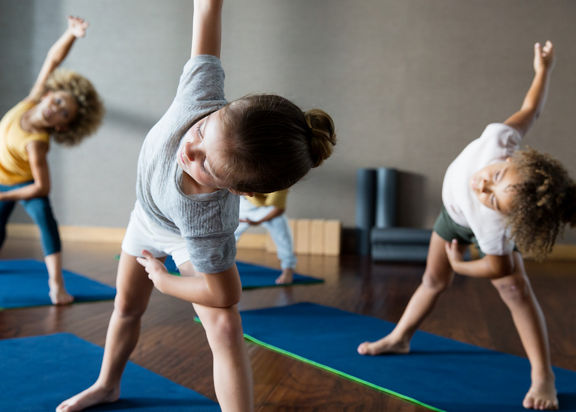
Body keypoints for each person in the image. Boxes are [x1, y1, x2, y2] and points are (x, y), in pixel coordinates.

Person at [56, 1, 336, 411]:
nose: (191, 147)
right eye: (204, 130)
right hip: (147, 217)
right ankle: (107, 384)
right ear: (220, 107)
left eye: (207, 162)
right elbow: (207, 12)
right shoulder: (200, 95)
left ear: (240, 193)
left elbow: (225, 293)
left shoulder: (208, 218)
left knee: (224, 325)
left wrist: (163, 279)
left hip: (183, 235)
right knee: (125, 306)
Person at [358, 41, 574, 411]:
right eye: (496, 176)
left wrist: (460, 266)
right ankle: (400, 337)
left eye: (492, 197)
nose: (483, 185)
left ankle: (543, 375)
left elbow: (495, 265)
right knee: (431, 280)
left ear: (510, 217)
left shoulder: (495, 225)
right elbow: (530, 109)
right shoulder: (499, 139)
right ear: (513, 157)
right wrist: (544, 71)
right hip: (453, 215)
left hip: (474, 229)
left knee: (514, 291)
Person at [0, 16, 104, 305]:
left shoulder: (37, 145)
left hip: (24, 184)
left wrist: (5, 194)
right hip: (2, 180)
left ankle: (57, 285)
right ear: (48, 94)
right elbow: (52, 60)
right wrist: (71, 34)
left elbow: (41, 188)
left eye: (64, 115)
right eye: (58, 102)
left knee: (46, 222)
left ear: (62, 128)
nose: (56, 110)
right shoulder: (31, 100)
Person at [235, 190, 297, 284]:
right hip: (241, 204)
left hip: (265, 209)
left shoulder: (280, 183)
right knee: (227, 236)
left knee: (282, 233)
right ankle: (219, 269)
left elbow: (278, 209)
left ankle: (288, 269)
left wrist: (257, 222)